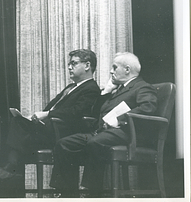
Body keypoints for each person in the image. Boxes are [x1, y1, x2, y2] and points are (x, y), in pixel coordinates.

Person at [49, 52, 158, 197]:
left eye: (114, 67)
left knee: (95, 143)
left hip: (127, 134)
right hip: (103, 133)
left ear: (127, 69)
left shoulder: (142, 87)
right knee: (64, 143)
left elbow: (147, 108)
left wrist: (118, 119)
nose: (111, 71)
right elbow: (96, 112)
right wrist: (106, 91)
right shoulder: (117, 89)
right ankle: (68, 194)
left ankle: (93, 193)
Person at [0, 49, 101, 179]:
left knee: (19, 129)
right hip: (50, 128)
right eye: (69, 64)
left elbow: (76, 112)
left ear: (87, 65)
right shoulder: (70, 87)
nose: (69, 67)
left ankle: (13, 165)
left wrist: (48, 114)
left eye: (74, 63)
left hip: (64, 132)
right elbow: (51, 107)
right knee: (17, 121)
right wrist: (35, 117)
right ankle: (13, 164)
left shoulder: (91, 89)